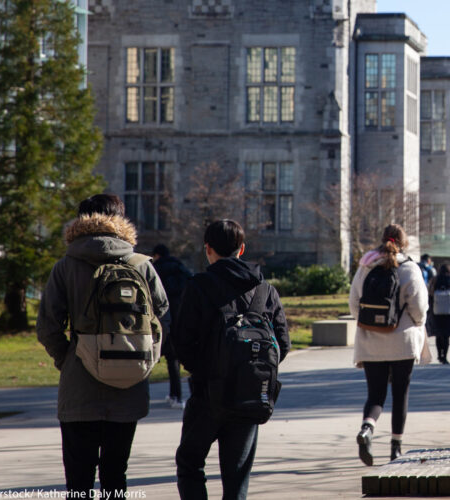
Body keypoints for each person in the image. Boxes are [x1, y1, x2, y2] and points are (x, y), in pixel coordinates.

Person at [36, 194, 170, 500]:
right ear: (121, 221)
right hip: (130, 385)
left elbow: (48, 327)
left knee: (79, 480)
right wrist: (145, 358)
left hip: (79, 386)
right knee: (115, 474)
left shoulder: (66, 266)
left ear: (80, 222)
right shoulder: (142, 265)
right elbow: (164, 320)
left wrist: (69, 358)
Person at [173, 220, 290, 499]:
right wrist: (251, 369)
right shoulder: (265, 291)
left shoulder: (199, 286)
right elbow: (282, 345)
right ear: (242, 249)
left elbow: (182, 341)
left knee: (190, 463)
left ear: (208, 249)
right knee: (237, 477)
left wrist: (206, 369)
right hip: (251, 395)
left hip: (207, 394)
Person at [350, 224, 429, 465]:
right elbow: (419, 307)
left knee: (375, 394)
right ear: (404, 243)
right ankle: (396, 447)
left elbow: (354, 302)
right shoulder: (410, 268)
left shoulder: (366, 265)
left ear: (381, 240)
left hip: (370, 341)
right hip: (402, 342)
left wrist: (369, 324)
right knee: (400, 394)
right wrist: (416, 324)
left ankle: (367, 429)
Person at [152, 243, 194, 409]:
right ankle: (180, 395)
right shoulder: (181, 268)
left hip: (163, 319)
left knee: (163, 358)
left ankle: (173, 395)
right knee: (179, 359)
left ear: (157, 255)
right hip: (182, 318)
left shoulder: (155, 269)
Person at [428, 264, 450, 364]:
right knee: (446, 336)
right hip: (449, 313)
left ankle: (439, 355)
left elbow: (430, 296)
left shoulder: (434, 281)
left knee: (438, 335)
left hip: (436, 312)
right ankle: (445, 357)